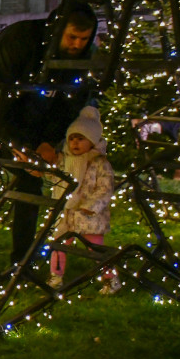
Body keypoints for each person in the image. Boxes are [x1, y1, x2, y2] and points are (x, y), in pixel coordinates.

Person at [0, 0, 99, 282]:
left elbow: (69, 104)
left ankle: (21, 263)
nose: (77, 44)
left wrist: (47, 142)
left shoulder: (82, 59)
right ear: (59, 30)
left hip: (33, 121)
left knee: (31, 182)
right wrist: (17, 145)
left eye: (84, 39)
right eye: (72, 37)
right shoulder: (20, 40)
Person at [47, 106, 120, 294]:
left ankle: (110, 278)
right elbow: (55, 179)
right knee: (58, 245)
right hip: (66, 213)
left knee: (95, 250)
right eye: (72, 138)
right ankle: (56, 276)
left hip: (89, 217)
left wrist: (91, 206)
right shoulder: (65, 161)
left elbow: (105, 189)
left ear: (92, 141)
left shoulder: (99, 163)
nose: (75, 143)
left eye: (81, 138)